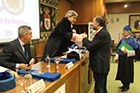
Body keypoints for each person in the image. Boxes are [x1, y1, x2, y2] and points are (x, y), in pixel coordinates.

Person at [81, 15, 111, 93]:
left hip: (100, 66)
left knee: (99, 89)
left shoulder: (102, 33)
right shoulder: (103, 32)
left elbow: (90, 46)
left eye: (93, 22)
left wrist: (84, 38)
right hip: (102, 65)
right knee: (101, 87)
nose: (92, 23)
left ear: (97, 23)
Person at [115, 26, 139, 92]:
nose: (123, 33)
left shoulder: (132, 40)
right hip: (122, 58)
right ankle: (123, 84)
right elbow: (119, 48)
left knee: (127, 72)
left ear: (129, 32)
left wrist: (127, 52)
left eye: (124, 31)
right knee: (122, 71)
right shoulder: (123, 39)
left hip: (128, 59)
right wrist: (117, 57)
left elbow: (136, 51)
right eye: (123, 31)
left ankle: (126, 86)